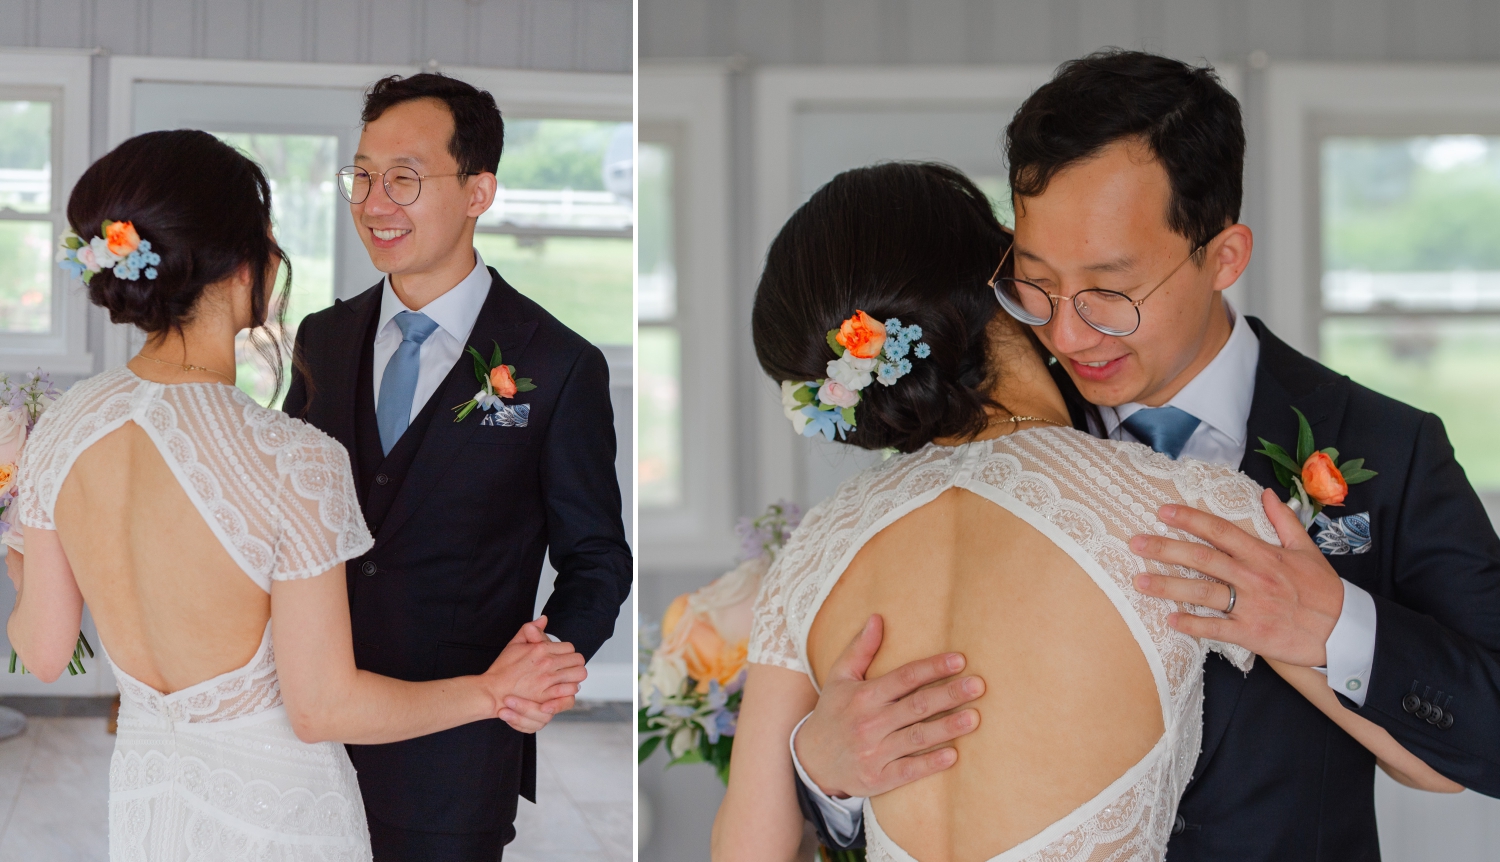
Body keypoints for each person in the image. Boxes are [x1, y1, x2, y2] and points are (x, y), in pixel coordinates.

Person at [790, 51, 1500, 861]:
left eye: (1110, 290)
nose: (1067, 333)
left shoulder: (1388, 445)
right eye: (1035, 283)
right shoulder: (978, 440)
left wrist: (1334, 629)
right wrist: (824, 773)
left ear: (1224, 256)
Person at [3, 129, 588, 860]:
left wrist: (20, 544)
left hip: (150, 809)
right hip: (279, 817)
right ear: (244, 266)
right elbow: (323, 708)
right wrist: (490, 690)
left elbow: (44, 649)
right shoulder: (295, 459)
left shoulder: (61, 429)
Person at [281, 72, 633, 861]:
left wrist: (545, 665)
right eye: (362, 176)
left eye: (404, 178)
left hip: (454, 757)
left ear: (479, 191)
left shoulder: (559, 364)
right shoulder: (322, 339)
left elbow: (597, 559)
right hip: (303, 732)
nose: (375, 203)